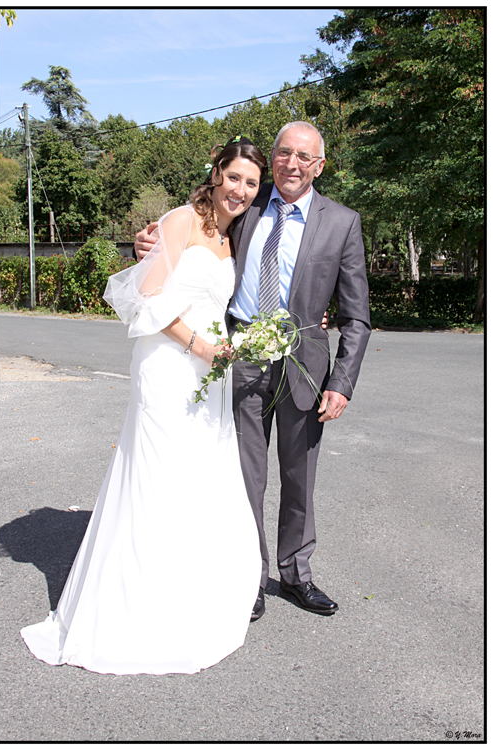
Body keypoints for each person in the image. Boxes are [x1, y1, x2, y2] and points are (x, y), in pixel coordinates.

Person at [20, 137, 267, 675]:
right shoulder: (180, 220)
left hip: (210, 373)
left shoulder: (231, 235)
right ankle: (135, 609)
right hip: (170, 364)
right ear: (216, 173)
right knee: (156, 474)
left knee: (195, 477)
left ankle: (185, 595)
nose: (241, 190)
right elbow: (147, 298)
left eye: (251, 183)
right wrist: (198, 345)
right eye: (233, 177)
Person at [135, 122, 371, 622]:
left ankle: (296, 574)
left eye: (304, 157)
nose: (292, 163)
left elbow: (356, 316)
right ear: (274, 156)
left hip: (306, 367)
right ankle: (249, 574)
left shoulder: (342, 222)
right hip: (238, 357)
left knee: (299, 476)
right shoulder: (247, 203)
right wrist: (148, 246)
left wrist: (342, 382)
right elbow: (193, 232)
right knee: (244, 475)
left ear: (319, 166)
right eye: (284, 152)